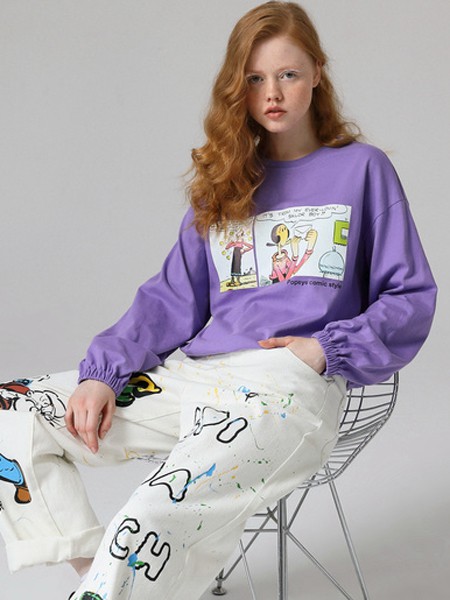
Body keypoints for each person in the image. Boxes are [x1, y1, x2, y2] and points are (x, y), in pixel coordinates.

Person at [0, 2, 437, 599]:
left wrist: (324, 349)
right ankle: (96, 579)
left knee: (148, 514)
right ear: (237, 87)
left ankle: (112, 586)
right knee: (10, 410)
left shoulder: (362, 169)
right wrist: (103, 371)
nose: (272, 93)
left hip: (284, 386)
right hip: (196, 378)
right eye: (254, 78)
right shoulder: (228, 179)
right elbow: (169, 299)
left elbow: (409, 295)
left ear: (316, 73)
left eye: (287, 74)